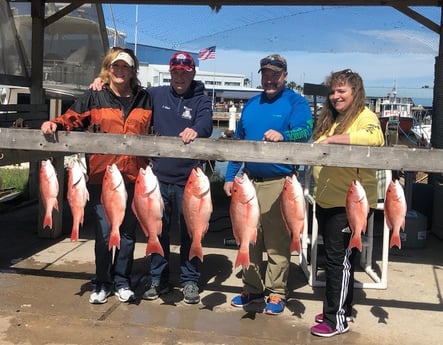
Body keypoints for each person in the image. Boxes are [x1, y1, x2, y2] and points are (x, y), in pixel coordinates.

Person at [90, 51, 213, 304]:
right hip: (157, 179)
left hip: (189, 180)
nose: (180, 76)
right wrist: (100, 83)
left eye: (185, 72)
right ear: (170, 73)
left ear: (193, 73)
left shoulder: (201, 99)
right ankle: (159, 278)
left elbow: (207, 123)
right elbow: (128, 92)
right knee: (158, 230)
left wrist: (196, 129)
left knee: (191, 230)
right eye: (176, 72)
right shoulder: (155, 94)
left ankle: (190, 279)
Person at [41, 47, 153, 304]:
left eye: (125, 67)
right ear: (108, 70)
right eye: (115, 66)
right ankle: (102, 282)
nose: (120, 71)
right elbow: (73, 117)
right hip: (102, 178)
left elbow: (156, 129)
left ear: (132, 70)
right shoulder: (94, 96)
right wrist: (55, 124)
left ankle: (122, 281)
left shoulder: (145, 98)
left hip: (134, 177)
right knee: (104, 232)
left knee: (126, 234)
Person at [223, 54, 313, 315]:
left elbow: (306, 130)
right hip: (248, 181)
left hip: (279, 183)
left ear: (285, 76)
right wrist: (230, 175)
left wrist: (283, 135)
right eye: (266, 74)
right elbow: (240, 142)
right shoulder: (251, 104)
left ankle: (276, 291)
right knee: (249, 238)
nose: (270, 79)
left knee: (277, 241)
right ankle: (251, 287)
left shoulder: (296, 102)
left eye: (275, 74)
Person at [310, 69, 385, 337]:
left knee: (337, 261)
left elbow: (374, 139)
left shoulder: (366, 117)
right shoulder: (331, 119)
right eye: (332, 91)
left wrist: (333, 140)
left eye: (341, 91)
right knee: (336, 260)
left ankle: (336, 320)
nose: (335, 96)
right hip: (326, 199)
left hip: (350, 204)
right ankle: (337, 307)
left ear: (356, 92)